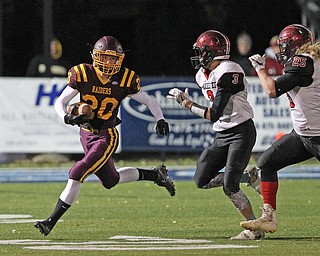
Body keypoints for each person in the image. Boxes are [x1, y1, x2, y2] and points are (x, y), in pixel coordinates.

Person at [34, 35, 175, 236]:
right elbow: (60, 101)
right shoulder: (83, 73)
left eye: (112, 58)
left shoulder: (125, 79)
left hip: (106, 136)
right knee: (111, 180)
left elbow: (149, 101)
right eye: (104, 57)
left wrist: (160, 118)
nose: (108, 62)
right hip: (86, 134)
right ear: (95, 56)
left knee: (77, 172)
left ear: (119, 59)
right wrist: (66, 117)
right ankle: (156, 175)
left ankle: (50, 222)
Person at [167, 30, 263, 240]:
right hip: (222, 133)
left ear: (212, 52)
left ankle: (255, 230)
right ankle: (249, 176)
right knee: (201, 179)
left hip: (240, 131)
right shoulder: (201, 75)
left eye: (201, 52)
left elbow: (214, 113)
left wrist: (187, 104)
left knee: (230, 186)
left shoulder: (230, 70)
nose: (199, 56)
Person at [240, 24, 319, 234]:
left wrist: (259, 68)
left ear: (295, 46)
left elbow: (271, 90)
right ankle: (268, 217)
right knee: (267, 162)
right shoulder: (310, 61)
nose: (281, 51)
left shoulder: (303, 61)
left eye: (284, 46)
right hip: (303, 135)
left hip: (317, 135)